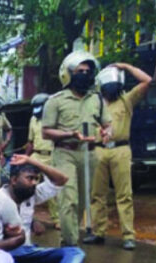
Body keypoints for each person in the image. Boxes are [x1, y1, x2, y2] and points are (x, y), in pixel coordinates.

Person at [42, 50, 112, 246]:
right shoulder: (55, 100)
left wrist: (107, 132)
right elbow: (46, 132)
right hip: (65, 153)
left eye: (87, 71)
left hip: (89, 154)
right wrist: (69, 134)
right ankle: (70, 244)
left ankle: (71, 238)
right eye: (79, 70)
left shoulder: (96, 99)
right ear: (69, 74)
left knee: (81, 201)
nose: (84, 74)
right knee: (68, 199)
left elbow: (107, 124)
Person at [84, 63, 151, 250]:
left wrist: (126, 66)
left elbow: (147, 81)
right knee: (97, 194)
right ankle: (98, 232)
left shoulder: (126, 100)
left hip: (120, 149)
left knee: (124, 195)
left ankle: (128, 236)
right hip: (98, 149)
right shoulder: (94, 103)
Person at [2, 154, 86, 263]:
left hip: (28, 251)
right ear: (14, 180)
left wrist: (32, 161)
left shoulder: (33, 193)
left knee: (74, 251)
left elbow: (61, 179)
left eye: (36, 179)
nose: (34, 183)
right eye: (30, 178)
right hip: (6, 252)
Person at [26, 93, 59, 228]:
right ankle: (28, 217)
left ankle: (57, 219)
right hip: (36, 156)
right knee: (28, 186)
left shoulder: (56, 119)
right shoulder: (33, 119)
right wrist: (26, 157)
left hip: (52, 156)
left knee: (52, 189)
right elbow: (30, 141)